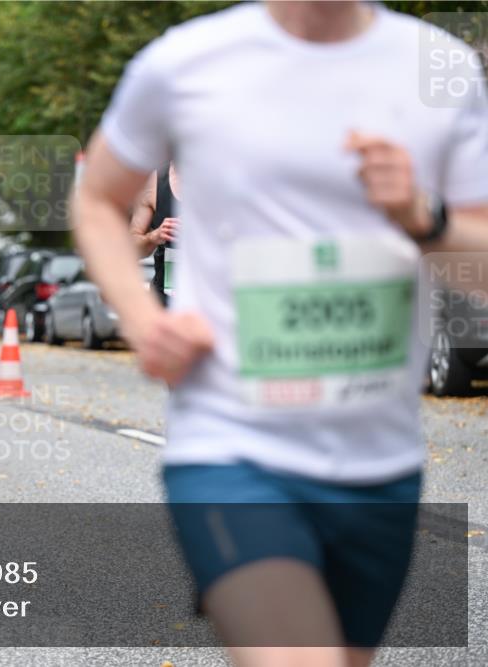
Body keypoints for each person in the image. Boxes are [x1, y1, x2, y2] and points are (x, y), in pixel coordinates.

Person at [72, 1, 487, 665]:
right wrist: (143, 319)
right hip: (232, 445)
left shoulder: (440, 69)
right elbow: (97, 198)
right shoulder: (185, 62)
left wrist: (422, 215)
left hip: (378, 464)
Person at [129, 164, 180, 305]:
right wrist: (154, 236)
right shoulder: (154, 182)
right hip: (165, 301)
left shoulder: (220, 176)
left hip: (210, 300)